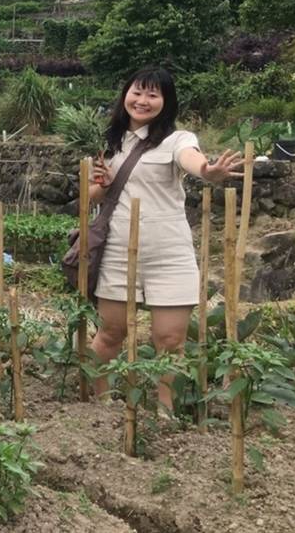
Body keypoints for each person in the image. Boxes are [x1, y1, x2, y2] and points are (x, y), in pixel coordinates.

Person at [88, 66, 242, 409]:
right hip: (117, 251)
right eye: (137, 92)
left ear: (166, 103)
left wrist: (207, 170)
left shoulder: (177, 139)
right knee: (111, 334)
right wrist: (101, 184)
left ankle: (164, 412)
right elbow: (89, 196)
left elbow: (192, 160)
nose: (143, 100)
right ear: (125, 94)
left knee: (170, 340)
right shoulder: (112, 145)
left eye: (153, 95)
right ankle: (99, 409)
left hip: (169, 254)